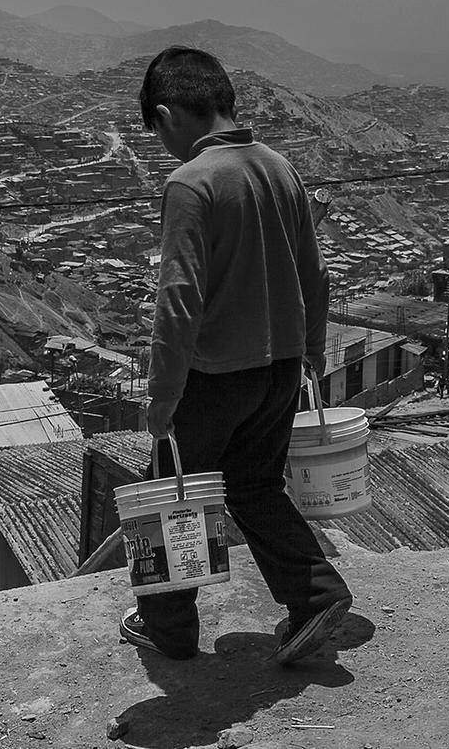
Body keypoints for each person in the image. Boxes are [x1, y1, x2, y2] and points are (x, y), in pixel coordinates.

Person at [119, 46, 354, 665]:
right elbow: (316, 274)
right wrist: (311, 353)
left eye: (157, 133)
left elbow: (179, 297)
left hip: (213, 377)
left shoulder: (191, 183)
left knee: (171, 495)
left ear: (166, 116)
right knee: (254, 486)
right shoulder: (280, 168)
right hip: (279, 371)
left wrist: (163, 393)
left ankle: (169, 630)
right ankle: (315, 594)